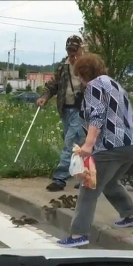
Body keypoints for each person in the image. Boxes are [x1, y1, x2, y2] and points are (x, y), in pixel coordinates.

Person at [57, 54, 133, 248]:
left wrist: (88, 145)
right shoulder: (113, 84)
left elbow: (97, 114)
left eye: (79, 75)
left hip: (112, 145)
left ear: (83, 72)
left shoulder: (94, 86)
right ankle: (132, 214)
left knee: (88, 187)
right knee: (110, 181)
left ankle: (79, 234)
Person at [37, 35, 86, 192]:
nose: (73, 55)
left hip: (82, 111)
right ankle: (83, 175)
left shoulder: (88, 65)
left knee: (69, 143)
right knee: (78, 145)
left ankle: (60, 179)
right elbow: (53, 85)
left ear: (81, 49)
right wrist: (45, 96)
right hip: (66, 109)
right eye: (70, 51)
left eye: (75, 51)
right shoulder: (62, 67)